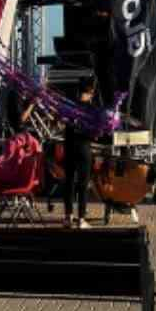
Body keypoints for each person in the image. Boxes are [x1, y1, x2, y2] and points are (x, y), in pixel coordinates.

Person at [63, 77, 98, 230]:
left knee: (69, 182)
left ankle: (68, 217)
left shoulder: (69, 106)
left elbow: (62, 122)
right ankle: (81, 219)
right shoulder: (92, 109)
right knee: (83, 185)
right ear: (90, 91)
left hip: (69, 146)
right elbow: (94, 133)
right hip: (84, 148)